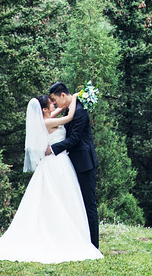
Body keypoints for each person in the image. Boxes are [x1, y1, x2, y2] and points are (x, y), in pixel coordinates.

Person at [0, 94, 103, 263]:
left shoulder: (46, 119)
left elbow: (59, 112)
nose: (54, 105)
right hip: (57, 164)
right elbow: (69, 117)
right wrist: (75, 98)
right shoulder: (48, 122)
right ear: (44, 109)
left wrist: (66, 102)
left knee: (60, 199)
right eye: (51, 104)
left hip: (58, 162)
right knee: (60, 199)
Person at [47, 81, 100, 249]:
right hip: (73, 163)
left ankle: (94, 245)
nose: (54, 103)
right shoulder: (72, 108)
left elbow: (74, 139)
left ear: (63, 95)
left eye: (55, 100)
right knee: (77, 203)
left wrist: (52, 149)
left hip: (85, 163)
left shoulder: (80, 111)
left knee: (89, 204)